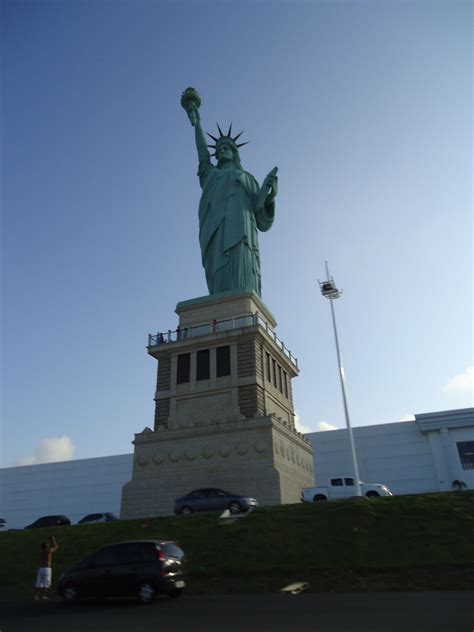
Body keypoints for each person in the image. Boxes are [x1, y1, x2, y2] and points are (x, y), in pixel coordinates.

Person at [185, 101, 278, 297]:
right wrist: (197, 124)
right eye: (218, 149)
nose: (221, 150)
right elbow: (202, 154)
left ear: (235, 152)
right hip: (216, 229)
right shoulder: (211, 175)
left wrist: (270, 195)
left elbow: (261, 217)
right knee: (218, 269)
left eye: (226, 147)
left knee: (243, 270)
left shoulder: (247, 178)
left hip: (243, 234)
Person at [34, 536, 58, 600]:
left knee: (39, 583)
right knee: (47, 584)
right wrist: (53, 540)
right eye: (48, 544)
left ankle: (36, 596)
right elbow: (56, 547)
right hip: (47, 569)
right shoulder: (49, 551)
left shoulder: (42, 552)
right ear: (46, 546)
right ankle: (43, 596)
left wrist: (50, 542)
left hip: (41, 568)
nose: (49, 544)